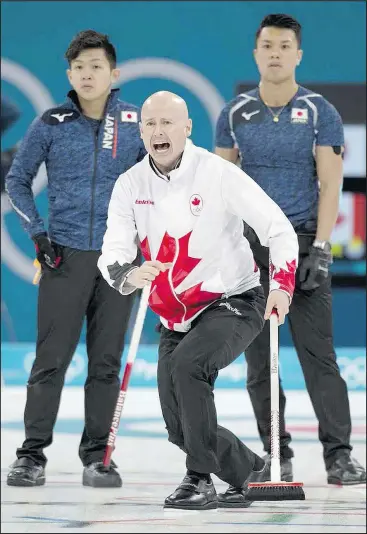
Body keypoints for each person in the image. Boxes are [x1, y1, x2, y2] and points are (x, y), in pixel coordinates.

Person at [98, 90, 299, 510]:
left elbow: (278, 228)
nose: (159, 131)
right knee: (178, 424)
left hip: (235, 300)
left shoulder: (217, 173)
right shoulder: (130, 184)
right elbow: (113, 250)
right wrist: (129, 274)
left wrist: (282, 284)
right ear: (141, 131)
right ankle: (251, 472)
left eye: (168, 122)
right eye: (150, 124)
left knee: (190, 367)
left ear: (187, 128)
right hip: (174, 316)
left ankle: (199, 478)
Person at [215, 13, 366, 485]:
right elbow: (223, 188)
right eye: (267, 45)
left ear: (298, 54)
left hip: (301, 246)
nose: (276, 53)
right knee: (260, 360)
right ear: (256, 53)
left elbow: (330, 183)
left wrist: (320, 248)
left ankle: (339, 456)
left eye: (284, 46)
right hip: (251, 251)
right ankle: (275, 450)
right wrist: (227, 250)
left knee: (318, 357)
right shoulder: (234, 114)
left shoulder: (321, 112)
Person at [6, 30, 146, 489]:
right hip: (63, 258)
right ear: (69, 74)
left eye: (96, 66)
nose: (88, 74)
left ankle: (97, 457)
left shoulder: (135, 122)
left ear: (114, 73)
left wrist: (145, 243)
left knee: (105, 361)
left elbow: (159, 185)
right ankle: (31, 456)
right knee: (51, 360)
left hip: (117, 263)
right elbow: (17, 181)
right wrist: (38, 235)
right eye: (80, 67)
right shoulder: (51, 122)